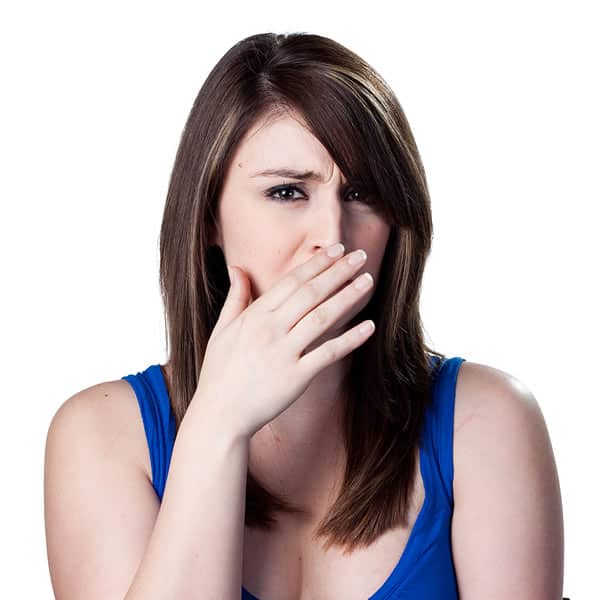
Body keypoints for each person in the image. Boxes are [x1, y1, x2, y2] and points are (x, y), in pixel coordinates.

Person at [44, 32, 565, 599]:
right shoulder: (101, 438)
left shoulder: (487, 423)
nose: (332, 237)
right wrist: (216, 425)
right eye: (288, 192)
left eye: (361, 193)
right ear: (209, 216)